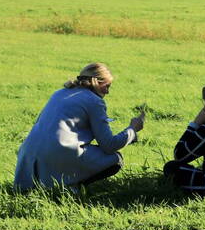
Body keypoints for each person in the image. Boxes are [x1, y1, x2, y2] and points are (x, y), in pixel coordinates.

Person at [14, 62, 144, 192]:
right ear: (96, 82)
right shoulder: (95, 101)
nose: (107, 92)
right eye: (107, 86)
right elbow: (109, 145)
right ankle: (69, 187)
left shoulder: (59, 93)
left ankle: (47, 186)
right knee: (116, 159)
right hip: (59, 152)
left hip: (28, 153)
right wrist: (132, 130)